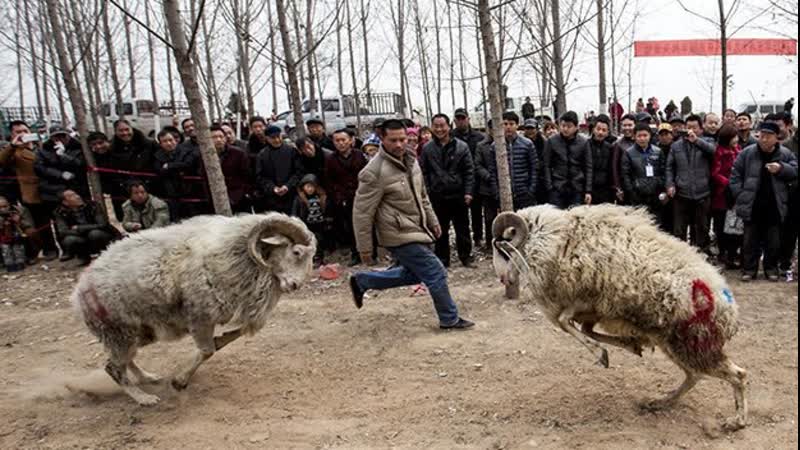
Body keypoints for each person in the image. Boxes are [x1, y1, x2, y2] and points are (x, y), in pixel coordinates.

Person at [349, 119, 474, 330]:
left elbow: (422, 196)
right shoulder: (373, 171)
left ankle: (363, 281)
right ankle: (449, 318)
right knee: (436, 271)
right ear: (382, 139)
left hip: (417, 228)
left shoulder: (412, 161)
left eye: (402, 139)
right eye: (393, 140)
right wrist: (365, 248)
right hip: (396, 233)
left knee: (415, 274)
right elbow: (362, 213)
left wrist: (433, 220)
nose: (399, 144)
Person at [729, 122, 798, 281]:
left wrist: (781, 168)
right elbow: (735, 176)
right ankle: (749, 269)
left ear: (776, 138)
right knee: (749, 241)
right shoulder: (747, 153)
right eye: (761, 135)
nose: (764, 139)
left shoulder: (786, 154)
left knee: (773, 241)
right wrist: (740, 195)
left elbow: (795, 171)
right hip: (752, 203)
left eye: (768, 136)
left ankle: (771, 268)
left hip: (775, 204)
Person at [420, 114, 475, 268]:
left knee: (462, 228)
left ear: (449, 126)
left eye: (442, 125)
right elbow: (423, 172)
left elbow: (469, 171)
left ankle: (466, 256)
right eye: (435, 126)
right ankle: (443, 259)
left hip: (458, 194)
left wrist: (468, 192)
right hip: (437, 195)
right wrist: (428, 192)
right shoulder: (427, 148)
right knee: (440, 230)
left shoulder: (462, 146)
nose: (439, 129)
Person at [0, 120, 59, 261]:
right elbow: (1, 161)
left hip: (51, 188)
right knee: (39, 222)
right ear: (12, 134)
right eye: (18, 132)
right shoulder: (14, 151)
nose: (23, 134)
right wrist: (13, 145)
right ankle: (48, 249)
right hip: (32, 191)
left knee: (57, 218)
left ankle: (64, 247)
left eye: (25, 131)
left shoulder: (41, 146)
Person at [666, 114, 717, 252]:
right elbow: (670, 167)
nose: (690, 130)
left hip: (702, 193)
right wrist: (670, 184)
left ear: (701, 129)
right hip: (681, 194)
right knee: (679, 229)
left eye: (694, 127)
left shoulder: (708, 142)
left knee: (702, 228)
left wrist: (696, 141)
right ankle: (681, 256)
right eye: (688, 127)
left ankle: (702, 254)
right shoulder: (676, 146)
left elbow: (715, 153)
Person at [324, 129, 368, 266]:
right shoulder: (330, 159)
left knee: (365, 226)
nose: (341, 143)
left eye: (343, 140)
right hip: (343, 199)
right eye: (337, 141)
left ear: (351, 140)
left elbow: (367, 175)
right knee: (349, 227)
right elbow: (329, 181)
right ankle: (355, 254)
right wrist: (338, 196)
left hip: (361, 196)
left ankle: (369, 253)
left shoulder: (360, 156)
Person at [108, 119, 157, 220]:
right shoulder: (111, 149)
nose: (125, 133)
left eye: (127, 129)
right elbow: (112, 172)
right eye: (121, 131)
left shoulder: (148, 144)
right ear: (115, 132)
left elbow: (156, 162)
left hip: (149, 186)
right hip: (125, 190)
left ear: (132, 129)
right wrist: (127, 186)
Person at [452, 108, 486, 247]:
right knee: (461, 215)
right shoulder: (451, 137)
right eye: (458, 119)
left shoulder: (479, 137)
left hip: (476, 180)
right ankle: (463, 241)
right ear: (454, 121)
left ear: (468, 119)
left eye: (463, 118)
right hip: (458, 181)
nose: (461, 121)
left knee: (477, 211)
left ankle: (478, 237)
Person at [543, 111, 592, 208]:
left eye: (569, 126)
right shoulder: (552, 141)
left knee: (575, 218)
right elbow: (546, 165)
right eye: (563, 125)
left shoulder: (583, 142)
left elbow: (588, 167)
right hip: (557, 187)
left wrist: (588, 190)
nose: (565, 129)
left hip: (577, 188)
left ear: (576, 127)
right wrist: (549, 187)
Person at [621, 123, 667, 225]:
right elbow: (625, 175)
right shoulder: (628, 153)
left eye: (645, 135)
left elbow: (663, 171)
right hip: (637, 196)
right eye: (639, 136)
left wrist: (660, 187)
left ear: (650, 136)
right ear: (634, 137)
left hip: (655, 196)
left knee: (656, 225)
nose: (642, 139)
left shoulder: (658, 152)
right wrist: (632, 192)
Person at [710, 124, 742, 269]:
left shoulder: (738, 150)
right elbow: (715, 173)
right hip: (722, 195)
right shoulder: (719, 152)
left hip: (736, 194)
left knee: (735, 226)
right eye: (733, 137)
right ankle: (723, 254)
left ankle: (733, 254)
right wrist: (729, 183)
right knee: (721, 226)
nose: (736, 139)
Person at [53, 189, 114, 266]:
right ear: (65, 202)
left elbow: (102, 224)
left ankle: (103, 254)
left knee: (95, 234)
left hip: (99, 233)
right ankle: (83, 256)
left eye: (76, 194)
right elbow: (63, 231)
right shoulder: (60, 212)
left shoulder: (93, 205)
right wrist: (82, 231)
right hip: (81, 236)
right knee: (70, 239)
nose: (77, 197)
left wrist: (80, 228)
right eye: (72, 196)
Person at [203, 125, 254, 213]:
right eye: (214, 137)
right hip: (215, 198)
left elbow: (247, 175)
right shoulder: (204, 156)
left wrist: (244, 194)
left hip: (238, 198)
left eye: (221, 137)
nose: (218, 140)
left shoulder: (238, 153)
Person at [255, 125, 302, 215]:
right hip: (271, 198)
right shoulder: (262, 155)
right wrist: (273, 188)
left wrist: (287, 186)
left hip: (291, 195)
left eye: (278, 137)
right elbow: (260, 177)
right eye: (273, 138)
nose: (277, 140)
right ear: (267, 139)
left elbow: (298, 172)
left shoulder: (291, 151)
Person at [153, 129, 197, 221]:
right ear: (160, 144)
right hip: (169, 191)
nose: (169, 143)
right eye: (165, 141)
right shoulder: (157, 155)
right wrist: (177, 168)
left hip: (188, 189)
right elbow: (159, 170)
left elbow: (188, 165)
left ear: (175, 140)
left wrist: (169, 166)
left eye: (170, 140)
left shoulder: (186, 151)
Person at [497, 112, 538, 210]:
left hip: (524, 193)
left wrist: (531, 189)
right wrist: (496, 192)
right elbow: (493, 171)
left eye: (511, 124)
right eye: (505, 124)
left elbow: (534, 168)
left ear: (517, 125)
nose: (508, 127)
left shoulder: (527, 144)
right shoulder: (496, 146)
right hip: (505, 194)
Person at [36, 127, 88, 203]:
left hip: (77, 186)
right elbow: (40, 167)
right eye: (56, 137)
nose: (61, 139)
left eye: (63, 136)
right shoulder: (44, 150)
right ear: (51, 138)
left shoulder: (78, 147)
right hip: (55, 188)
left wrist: (63, 155)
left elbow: (80, 164)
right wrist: (60, 174)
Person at [292, 174, 328, 266]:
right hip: (307, 224)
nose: (310, 189)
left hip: (319, 223)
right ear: (303, 187)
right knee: (308, 242)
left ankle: (320, 258)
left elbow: (325, 208)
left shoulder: (320, 197)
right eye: (308, 186)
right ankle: (310, 259)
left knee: (320, 240)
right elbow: (295, 212)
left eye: (312, 186)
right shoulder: (299, 199)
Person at [474, 121, 499, 248]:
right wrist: (489, 177)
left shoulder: (507, 143)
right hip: (487, 187)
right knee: (489, 218)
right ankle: (490, 243)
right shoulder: (481, 146)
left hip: (506, 187)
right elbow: (477, 165)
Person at [588, 115, 615, 204]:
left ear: (607, 132)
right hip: (590, 189)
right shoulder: (585, 146)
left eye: (604, 130)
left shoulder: (610, 148)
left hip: (606, 190)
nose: (600, 132)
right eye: (598, 129)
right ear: (593, 129)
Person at [611, 114, 637, 203]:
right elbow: (615, 168)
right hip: (624, 187)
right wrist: (618, 188)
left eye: (630, 125)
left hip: (640, 186)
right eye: (624, 125)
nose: (627, 128)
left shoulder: (640, 142)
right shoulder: (618, 145)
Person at [0, 196, 30, 272]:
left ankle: (20, 263)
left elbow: (25, 224)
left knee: (18, 250)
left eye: (5, 206)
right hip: (4, 239)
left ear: (9, 205)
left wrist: (18, 221)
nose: (3, 209)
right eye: (0, 207)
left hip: (16, 236)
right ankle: (10, 265)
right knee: (6, 252)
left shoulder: (14, 213)